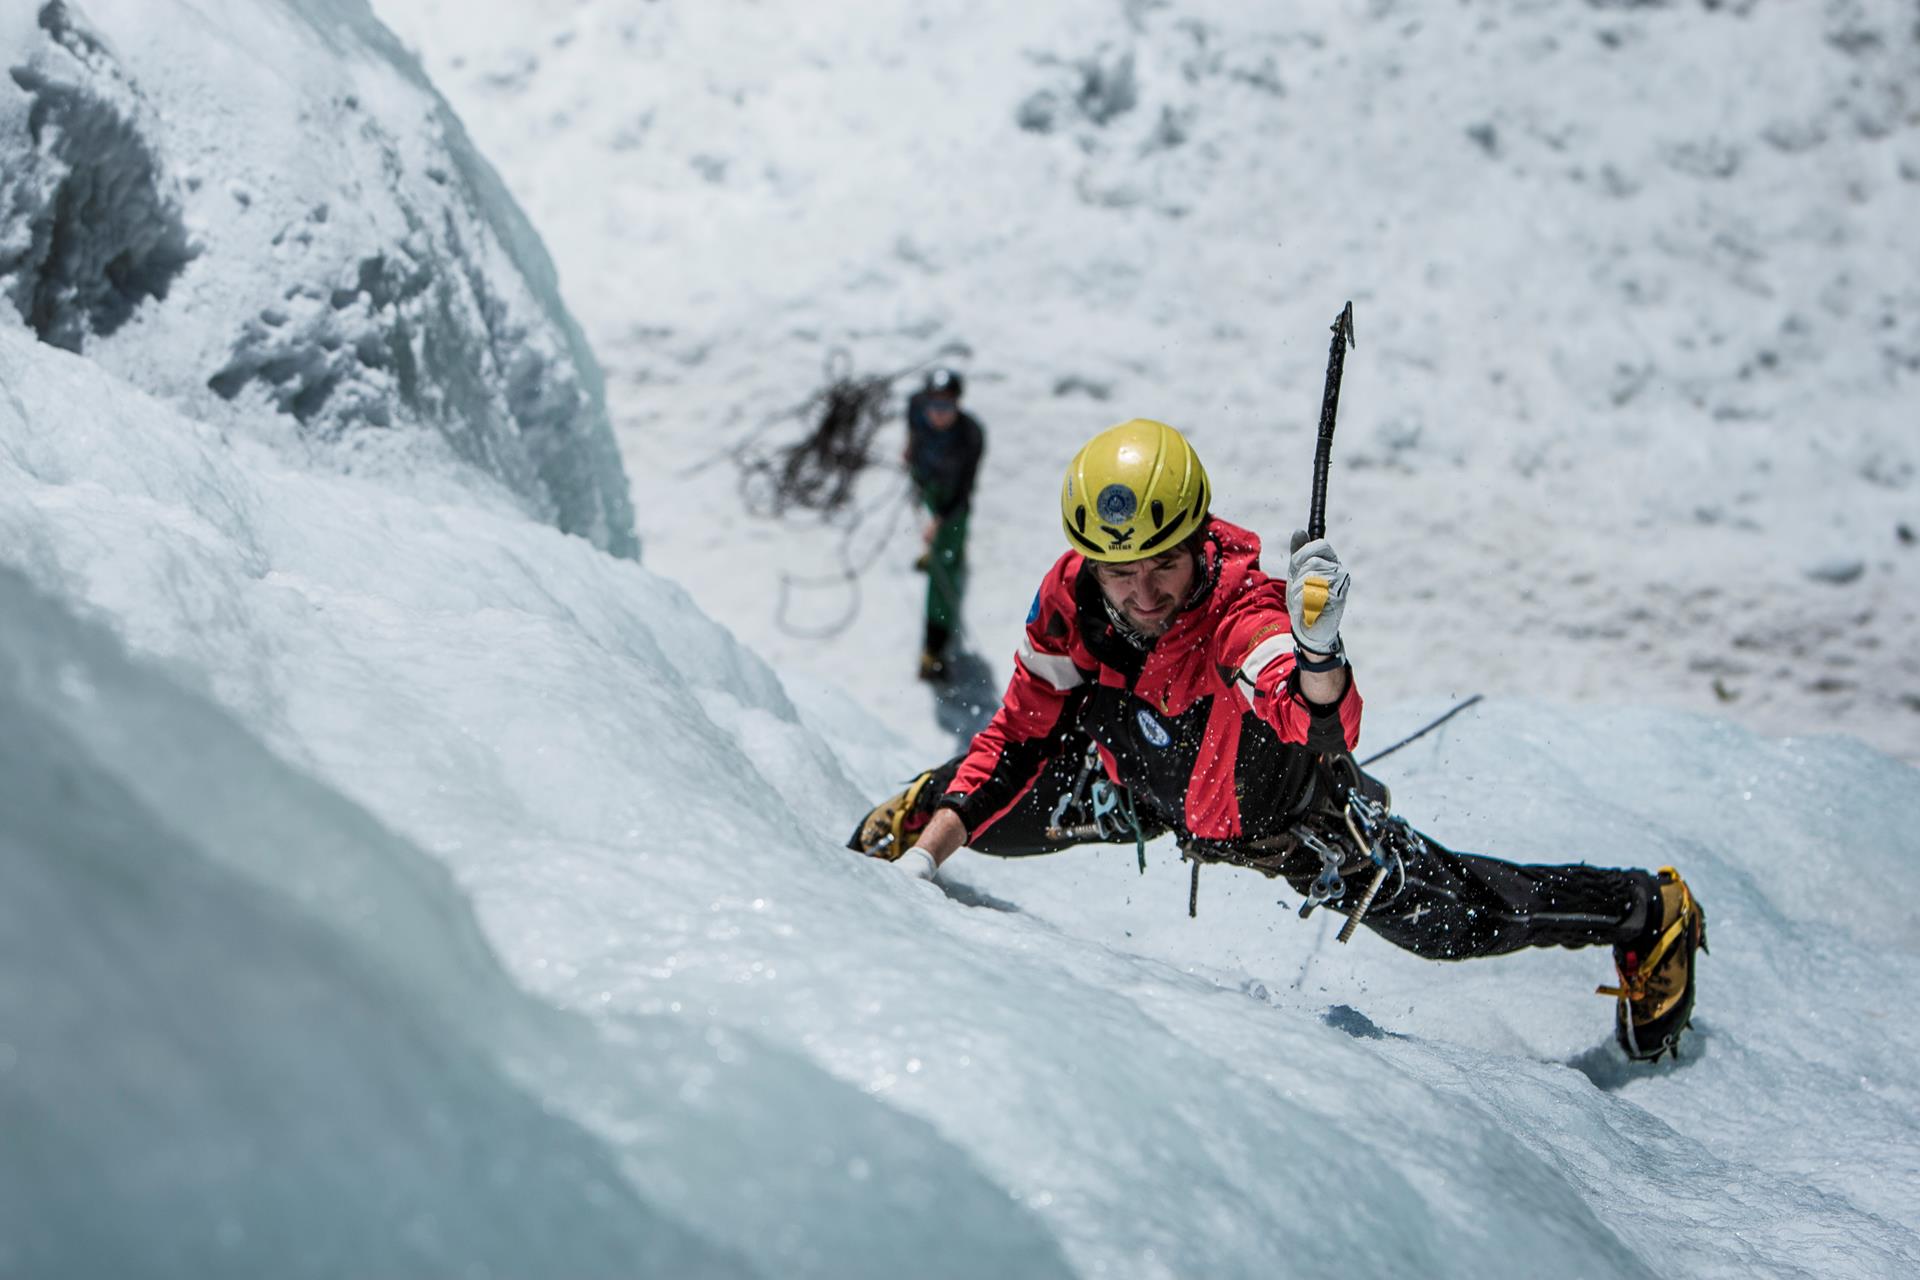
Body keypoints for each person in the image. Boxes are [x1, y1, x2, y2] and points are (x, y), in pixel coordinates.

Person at [851, 418, 1707, 1063]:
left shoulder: (1241, 612)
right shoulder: (1073, 598)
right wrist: (932, 848)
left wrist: (1319, 656)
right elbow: (1022, 732)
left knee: (1459, 924)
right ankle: (932, 803)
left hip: (1289, 820)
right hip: (1132, 784)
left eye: (1163, 565)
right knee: (987, 815)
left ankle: (1644, 910)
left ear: (1197, 541)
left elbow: (1313, 711)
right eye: (1121, 572)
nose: (1143, 595)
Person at [903, 368, 985, 681]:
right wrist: (910, 449)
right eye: (933, 405)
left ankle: (934, 649)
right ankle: (937, 552)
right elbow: (912, 413)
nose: (938, 413)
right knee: (937, 548)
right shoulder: (916, 410)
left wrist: (939, 521)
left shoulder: (970, 436)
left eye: (946, 406)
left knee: (943, 572)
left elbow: (965, 488)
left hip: (952, 504)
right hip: (928, 486)